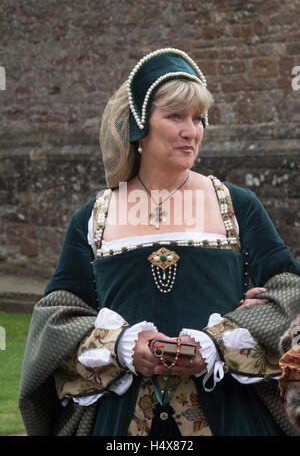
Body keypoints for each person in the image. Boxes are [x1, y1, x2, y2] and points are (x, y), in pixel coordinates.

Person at [19, 48, 300, 436]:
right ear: (139, 126)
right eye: (175, 117)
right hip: (118, 424)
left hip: (230, 415)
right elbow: (54, 320)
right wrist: (119, 345)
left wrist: (216, 342)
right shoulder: (94, 217)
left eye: (198, 118)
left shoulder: (237, 206)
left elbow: (291, 294)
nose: (192, 131)